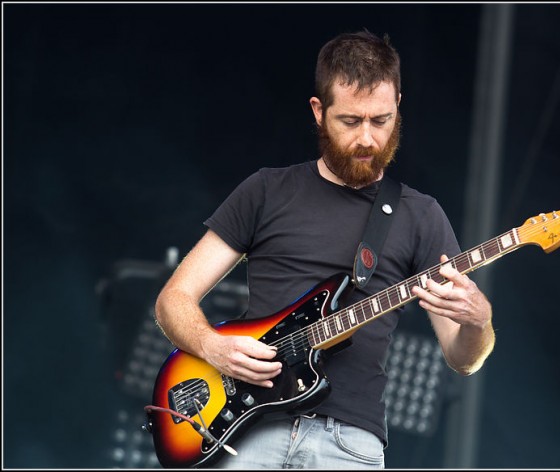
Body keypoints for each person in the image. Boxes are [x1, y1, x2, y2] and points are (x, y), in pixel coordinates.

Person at [154, 29, 495, 469]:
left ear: (398, 108)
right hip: (247, 430)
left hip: (349, 442)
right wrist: (210, 345)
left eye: (382, 120)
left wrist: (478, 320)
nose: (368, 139)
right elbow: (173, 299)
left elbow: (462, 358)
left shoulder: (421, 216)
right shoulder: (265, 191)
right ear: (319, 112)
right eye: (351, 121)